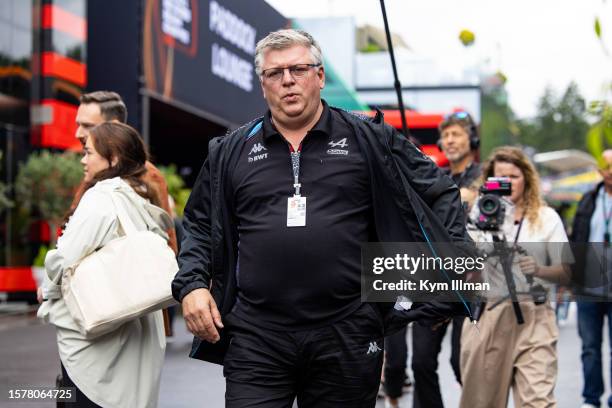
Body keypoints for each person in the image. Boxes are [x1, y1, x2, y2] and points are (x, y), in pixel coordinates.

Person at [172, 28, 469, 407]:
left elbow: (439, 191)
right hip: (256, 335)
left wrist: (449, 270)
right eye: (274, 73)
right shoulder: (231, 150)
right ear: (262, 84)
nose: (287, 80)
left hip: (348, 330)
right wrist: (193, 285)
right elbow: (198, 224)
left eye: (298, 68)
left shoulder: (368, 137)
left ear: (320, 76)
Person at [37, 122, 172, 407]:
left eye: (88, 152)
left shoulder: (101, 196)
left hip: (101, 347)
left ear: (113, 159)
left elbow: (65, 256)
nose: (83, 160)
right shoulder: (140, 197)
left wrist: (47, 290)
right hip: (137, 335)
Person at [459, 146, 571, 408]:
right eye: (501, 177)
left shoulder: (546, 218)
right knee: (480, 403)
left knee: (538, 402)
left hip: (535, 316)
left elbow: (566, 271)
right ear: (490, 181)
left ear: (528, 179)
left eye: (514, 176)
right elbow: (466, 275)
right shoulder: (480, 216)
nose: (508, 183)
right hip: (489, 315)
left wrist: (539, 269)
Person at [400, 111, 481, 408]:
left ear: (471, 140)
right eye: (445, 135)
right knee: (420, 362)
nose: (449, 141)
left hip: (471, 279)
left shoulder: (486, 177)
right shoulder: (435, 177)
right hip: (434, 279)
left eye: (456, 134)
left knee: (463, 363)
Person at [572, 149, 612, 408]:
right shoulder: (588, 199)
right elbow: (577, 239)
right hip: (589, 284)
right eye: (607, 166)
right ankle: (591, 398)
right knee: (590, 347)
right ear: (599, 170)